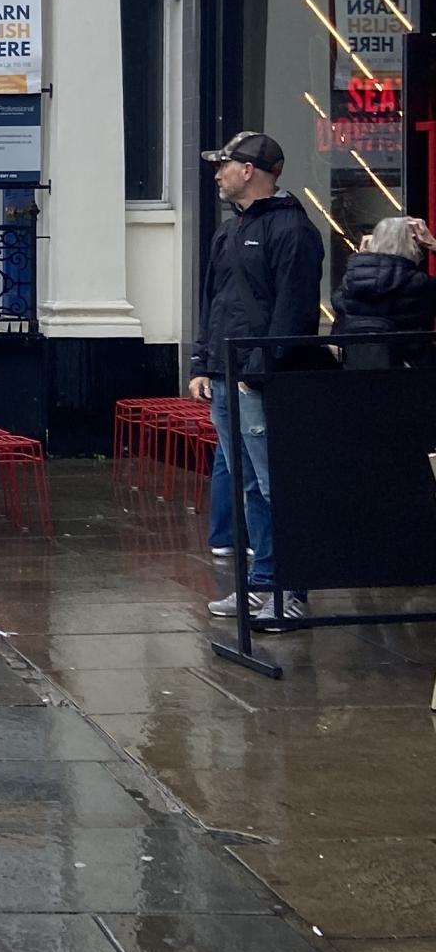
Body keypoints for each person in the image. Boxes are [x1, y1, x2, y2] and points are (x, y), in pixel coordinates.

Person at [188, 131, 324, 629]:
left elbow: (295, 309)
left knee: (273, 485)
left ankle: (290, 590)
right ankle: (262, 583)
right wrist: (203, 363)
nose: (217, 173)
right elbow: (214, 299)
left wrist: (262, 369)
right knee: (247, 485)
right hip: (227, 374)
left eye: (224, 164)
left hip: (257, 379)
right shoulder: (229, 231)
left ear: (249, 170)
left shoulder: (292, 230)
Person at [331, 215, 436, 366]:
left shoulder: (350, 282)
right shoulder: (420, 284)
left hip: (359, 376)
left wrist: (362, 257)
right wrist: (432, 244)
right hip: (411, 375)